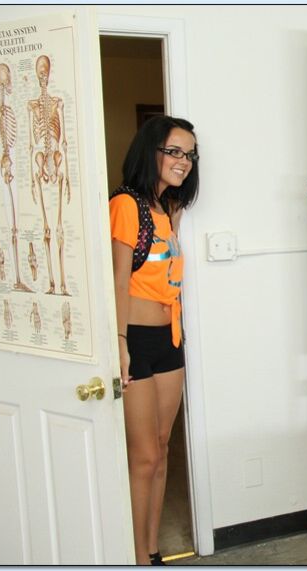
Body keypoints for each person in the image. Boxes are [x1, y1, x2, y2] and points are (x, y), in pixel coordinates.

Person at [109, 115, 199, 565]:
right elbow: (117, 280)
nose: (184, 161)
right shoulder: (126, 205)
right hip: (136, 341)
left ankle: (151, 550)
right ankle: (135, 559)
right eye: (174, 151)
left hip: (170, 340)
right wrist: (119, 344)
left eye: (190, 154)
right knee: (143, 456)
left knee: (162, 448)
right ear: (152, 151)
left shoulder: (168, 210)